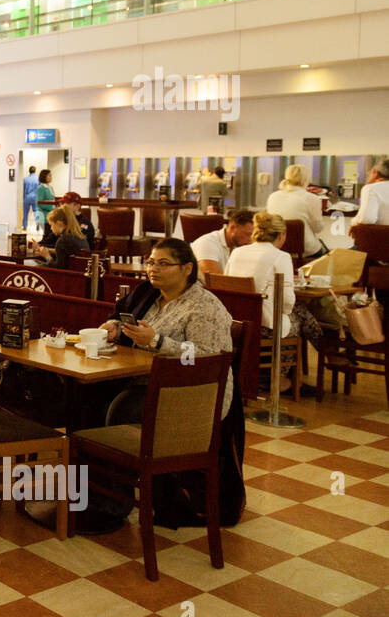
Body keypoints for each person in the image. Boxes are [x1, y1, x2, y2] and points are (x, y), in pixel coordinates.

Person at [90, 238, 235, 529]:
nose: (153, 269)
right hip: (151, 384)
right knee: (89, 400)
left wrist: (157, 342)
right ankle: (100, 500)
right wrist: (118, 328)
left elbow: (208, 358)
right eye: (150, 262)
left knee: (117, 408)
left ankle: (111, 504)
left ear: (187, 269)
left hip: (193, 399)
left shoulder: (203, 306)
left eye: (163, 264)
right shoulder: (153, 298)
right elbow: (135, 329)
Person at [225, 212, 296, 340]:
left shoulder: (237, 252)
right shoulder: (281, 257)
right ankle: (328, 355)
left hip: (235, 323)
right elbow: (286, 302)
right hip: (264, 326)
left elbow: (226, 284)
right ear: (281, 235)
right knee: (304, 316)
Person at [266, 164, 326, 259]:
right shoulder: (311, 198)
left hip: (278, 247)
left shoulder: (273, 197)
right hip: (306, 251)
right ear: (305, 180)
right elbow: (317, 229)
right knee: (324, 250)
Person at [190, 208, 254, 275]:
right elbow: (214, 280)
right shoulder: (207, 243)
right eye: (247, 234)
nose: (251, 240)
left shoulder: (239, 245)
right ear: (232, 228)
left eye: (253, 235)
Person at [351, 158, 389, 227]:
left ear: (376, 173)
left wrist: (354, 220)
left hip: (381, 236)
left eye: (370, 171)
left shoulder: (371, 189)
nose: (367, 173)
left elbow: (367, 219)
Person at [22, 165, 39, 230]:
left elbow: (23, 189)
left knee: (25, 212)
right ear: (35, 171)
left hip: (27, 197)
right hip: (35, 197)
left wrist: (24, 198)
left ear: (29, 171)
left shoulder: (25, 179)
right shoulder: (38, 179)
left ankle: (25, 226)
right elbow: (39, 189)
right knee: (36, 211)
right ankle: (37, 224)